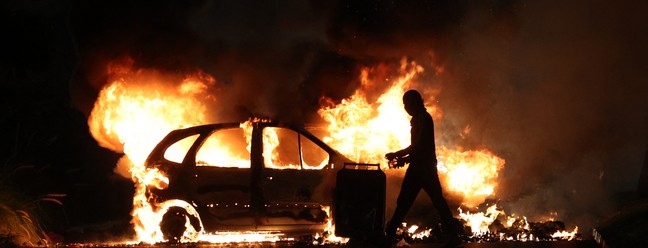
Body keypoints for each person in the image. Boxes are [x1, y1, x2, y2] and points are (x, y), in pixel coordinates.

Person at [383, 90, 462, 248]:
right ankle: (390, 233)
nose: (406, 108)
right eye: (404, 105)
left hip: (424, 169)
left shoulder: (424, 118)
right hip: (420, 167)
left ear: (416, 102)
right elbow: (418, 148)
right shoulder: (417, 119)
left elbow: (419, 146)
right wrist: (405, 159)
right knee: (413, 201)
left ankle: (389, 234)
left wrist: (399, 155)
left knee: (413, 201)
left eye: (408, 104)